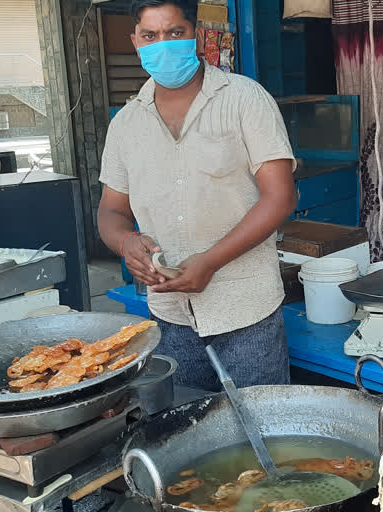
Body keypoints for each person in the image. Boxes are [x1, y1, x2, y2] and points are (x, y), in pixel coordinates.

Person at [98, 0, 297, 392]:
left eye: (175, 33)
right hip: (170, 316)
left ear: (197, 35)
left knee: (261, 432)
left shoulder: (245, 99)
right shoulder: (125, 124)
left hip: (246, 311)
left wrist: (210, 261)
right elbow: (110, 210)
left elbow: (281, 197)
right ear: (136, 42)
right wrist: (126, 243)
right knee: (187, 432)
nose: (163, 44)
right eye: (151, 36)